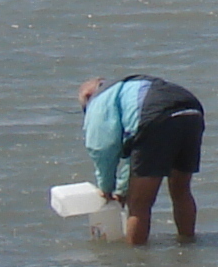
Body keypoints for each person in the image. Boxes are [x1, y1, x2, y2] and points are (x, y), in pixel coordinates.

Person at [78, 74, 204, 246]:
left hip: (155, 116)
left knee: (139, 204)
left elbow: (102, 148)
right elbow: (134, 151)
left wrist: (106, 188)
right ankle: (188, 244)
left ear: (87, 97)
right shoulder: (129, 86)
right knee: (181, 191)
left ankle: (136, 259)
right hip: (191, 111)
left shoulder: (99, 99)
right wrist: (122, 190)